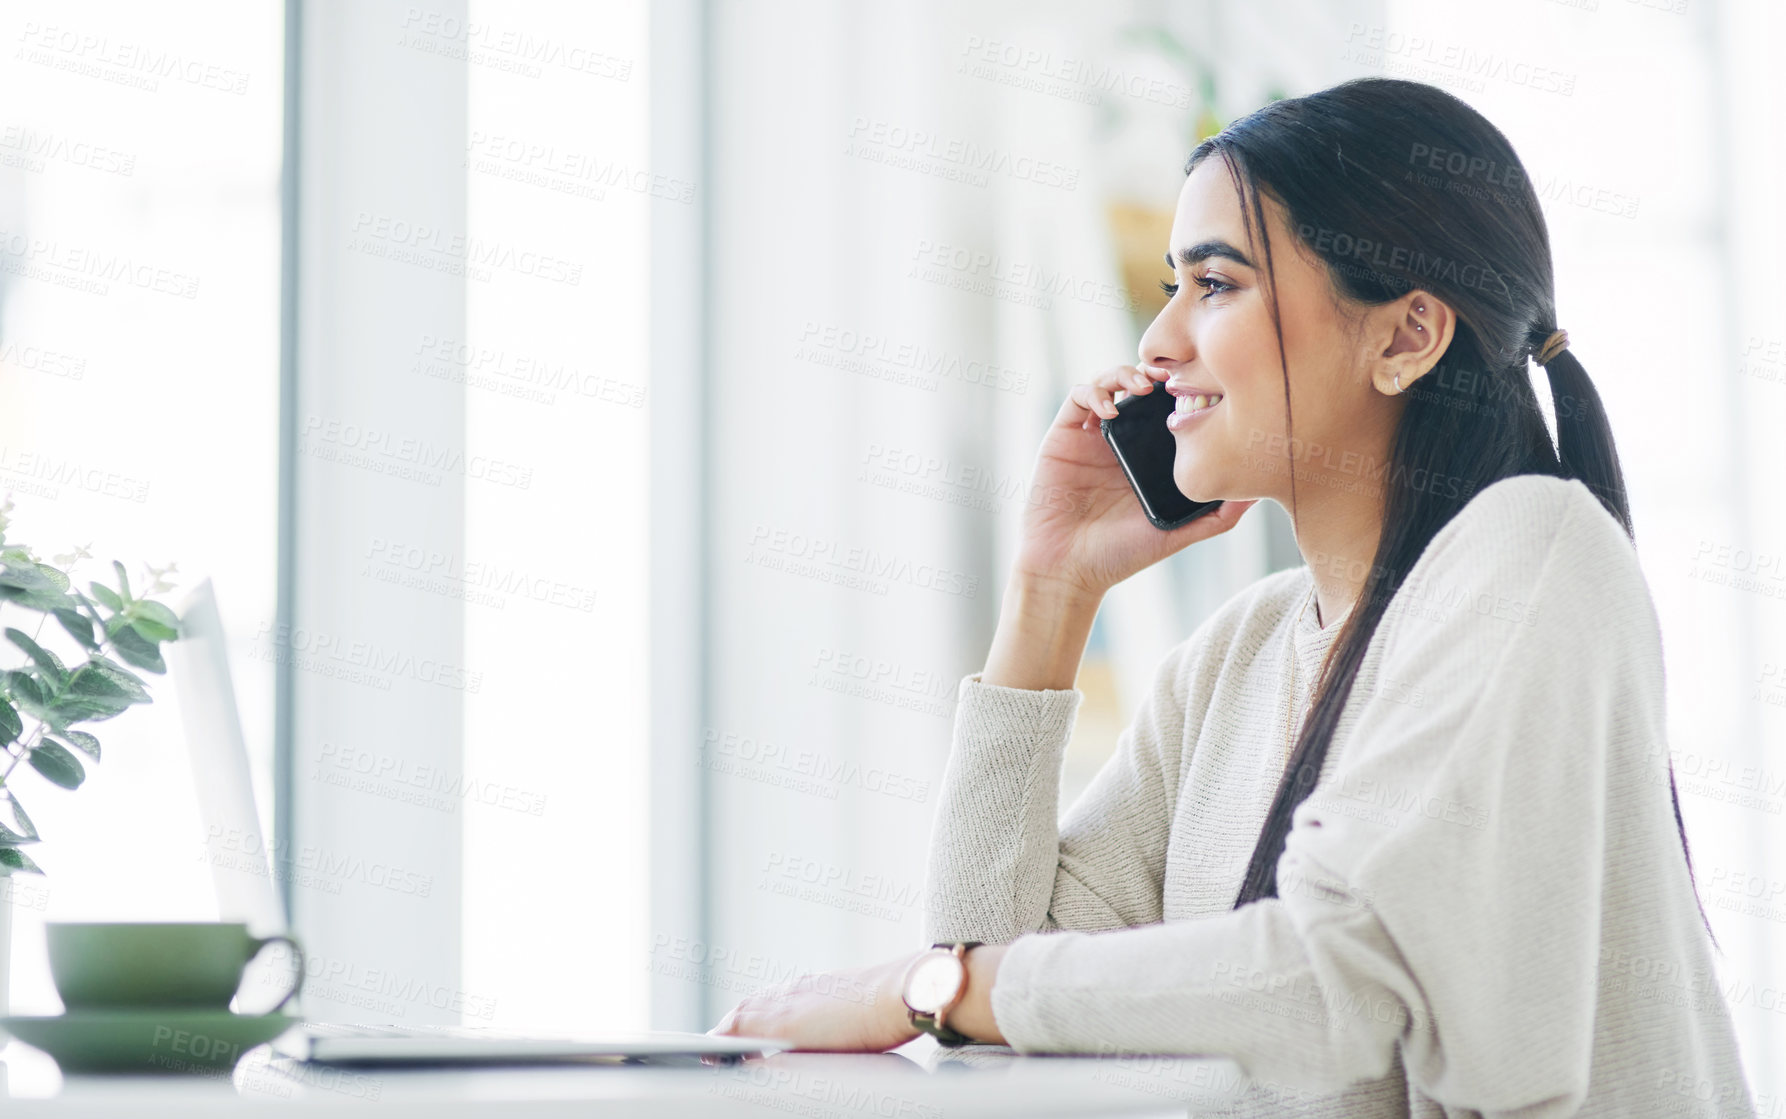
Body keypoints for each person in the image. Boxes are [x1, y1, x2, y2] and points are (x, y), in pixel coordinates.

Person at [713, 77, 1753, 1116]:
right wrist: (1051, 591)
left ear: (1404, 337)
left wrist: (919, 989)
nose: (1157, 342)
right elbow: (1010, 986)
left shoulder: (1531, 552)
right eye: (1173, 285)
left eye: (1214, 284)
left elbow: (1334, 977)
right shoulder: (1239, 656)